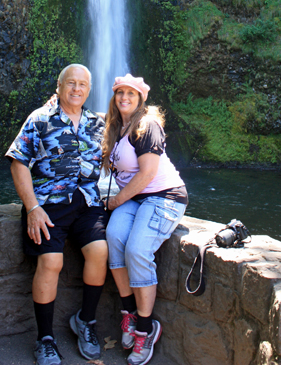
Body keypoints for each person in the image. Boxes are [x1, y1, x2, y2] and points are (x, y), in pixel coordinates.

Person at [6, 64, 108, 365]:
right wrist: (32, 208)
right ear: (60, 86)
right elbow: (18, 162)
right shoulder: (40, 118)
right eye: (71, 83)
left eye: (83, 85)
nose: (77, 89)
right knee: (51, 261)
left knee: (100, 251)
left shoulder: (97, 123)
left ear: (89, 89)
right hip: (48, 204)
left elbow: (127, 139)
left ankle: (85, 321)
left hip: (87, 202)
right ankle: (45, 339)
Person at [102, 73, 188, 365]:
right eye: (120, 93)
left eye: (131, 94)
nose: (124, 98)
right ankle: (129, 311)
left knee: (137, 249)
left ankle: (146, 326)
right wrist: (56, 100)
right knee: (113, 238)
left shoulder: (146, 125)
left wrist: (114, 201)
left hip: (164, 196)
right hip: (134, 197)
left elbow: (148, 174)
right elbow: (76, 112)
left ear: (141, 99)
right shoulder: (114, 125)